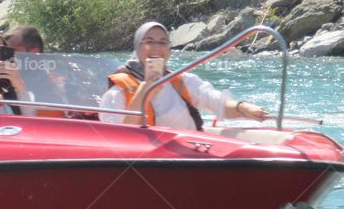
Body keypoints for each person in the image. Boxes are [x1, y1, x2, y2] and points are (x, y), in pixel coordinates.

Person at [99, 22, 268, 129]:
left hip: (186, 153)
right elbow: (117, 138)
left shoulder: (183, 81)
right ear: (138, 48)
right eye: (149, 42)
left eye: (163, 43)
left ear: (169, 51)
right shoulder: (117, 92)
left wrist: (242, 108)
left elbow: (216, 102)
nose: (157, 48)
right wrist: (144, 93)